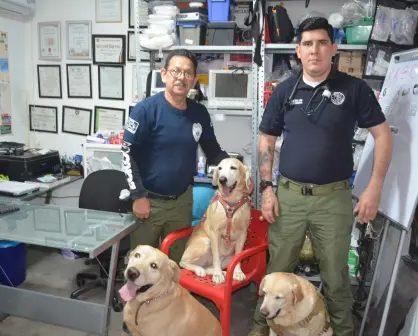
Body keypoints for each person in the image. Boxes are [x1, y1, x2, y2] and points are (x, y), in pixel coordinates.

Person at [248, 17, 393, 336]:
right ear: (298, 51)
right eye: (308, 44)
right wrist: (267, 189)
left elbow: (383, 135)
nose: (315, 50)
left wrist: (374, 188)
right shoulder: (284, 91)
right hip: (288, 197)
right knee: (277, 273)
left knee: (337, 279)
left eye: (322, 42)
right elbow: (266, 141)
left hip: (334, 200)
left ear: (334, 48)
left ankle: (343, 332)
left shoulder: (354, 89)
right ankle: (261, 329)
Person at [122, 49, 229, 265]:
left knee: (176, 262)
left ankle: (170, 300)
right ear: (163, 74)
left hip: (182, 201)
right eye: (176, 71)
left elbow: (212, 149)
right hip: (150, 202)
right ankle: (135, 300)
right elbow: (127, 154)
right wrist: (138, 196)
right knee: (141, 265)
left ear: (194, 80)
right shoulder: (145, 110)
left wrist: (236, 169)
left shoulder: (198, 112)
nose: (181, 77)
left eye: (188, 73)